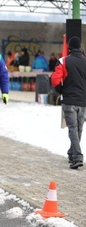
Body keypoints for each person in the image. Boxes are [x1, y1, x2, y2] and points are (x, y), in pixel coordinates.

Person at [51, 36, 86, 170]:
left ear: (69, 47)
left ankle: (77, 156)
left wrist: (61, 90)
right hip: (83, 102)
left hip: (69, 100)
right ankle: (72, 153)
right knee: (79, 128)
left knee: (72, 128)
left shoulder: (63, 61)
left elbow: (55, 79)